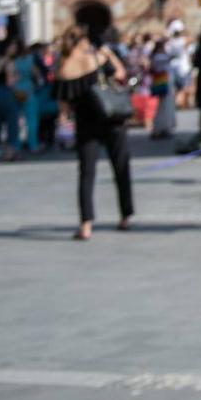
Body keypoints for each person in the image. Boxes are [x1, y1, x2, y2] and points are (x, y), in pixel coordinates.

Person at [53, 26, 132, 240]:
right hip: (112, 119)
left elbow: (63, 103)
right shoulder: (96, 58)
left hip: (86, 123)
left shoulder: (63, 66)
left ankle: (86, 224)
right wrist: (109, 54)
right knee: (120, 167)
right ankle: (125, 216)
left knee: (86, 174)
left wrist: (64, 119)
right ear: (83, 40)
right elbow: (120, 74)